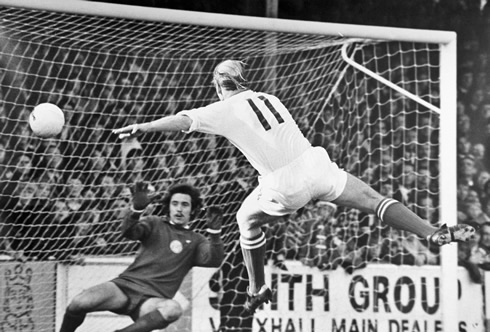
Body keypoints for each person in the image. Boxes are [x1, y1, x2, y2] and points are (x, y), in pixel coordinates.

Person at [113, 59, 476, 313]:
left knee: (245, 221)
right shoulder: (270, 98)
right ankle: (430, 232)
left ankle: (257, 286)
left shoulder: (224, 108)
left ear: (218, 86)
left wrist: (143, 128)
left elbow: (183, 120)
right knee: (374, 199)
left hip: (283, 182)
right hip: (316, 163)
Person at [32, 182, 224, 332]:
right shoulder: (154, 223)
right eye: (175, 203)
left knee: (173, 309)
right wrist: (136, 210)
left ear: (193, 210)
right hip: (124, 288)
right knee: (79, 302)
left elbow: (214, 260)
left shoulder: (197, 240)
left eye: (185, 204)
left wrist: (215, 233)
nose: (179, 209)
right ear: (168, 206)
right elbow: (129, 232)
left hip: (151, 301)